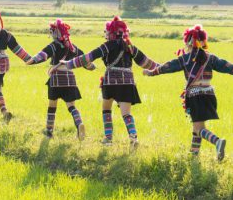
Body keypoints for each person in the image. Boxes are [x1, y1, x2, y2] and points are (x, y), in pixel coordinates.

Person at [144, 25, 233, 161]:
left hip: (195, 96)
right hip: (209, 95)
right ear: (203, 41)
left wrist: (151, 73)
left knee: (199, 129)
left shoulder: (184, 59)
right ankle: (193, 156)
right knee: (198, 127)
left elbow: (167, 67)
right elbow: (228, 66)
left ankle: (217, 142)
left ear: (189, 41)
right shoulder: (211, 58)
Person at [55, 16, 158, 148]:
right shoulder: (130, 47)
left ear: (112, 33)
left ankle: (108, 139)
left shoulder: (107, 46)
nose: (106, 34)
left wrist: (69, 63)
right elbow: (147, 62)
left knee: (106, 109)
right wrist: (161, 68)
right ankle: (133, 138)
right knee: (126, 114)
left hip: (110, 82)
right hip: (128, 83)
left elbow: (88, 57)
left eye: (107, 32)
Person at [26, 19, 95, 140]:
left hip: (57, 78)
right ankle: (79, 124)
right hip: (70, 78)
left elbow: (42, 55)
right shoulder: (73, 48)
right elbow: (85, 60)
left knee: (52, 105)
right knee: (71, 106)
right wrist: (92, 67)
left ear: (55, 33)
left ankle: (49, 131)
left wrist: (30, 61)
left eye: (52, 31)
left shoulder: (54, 46)